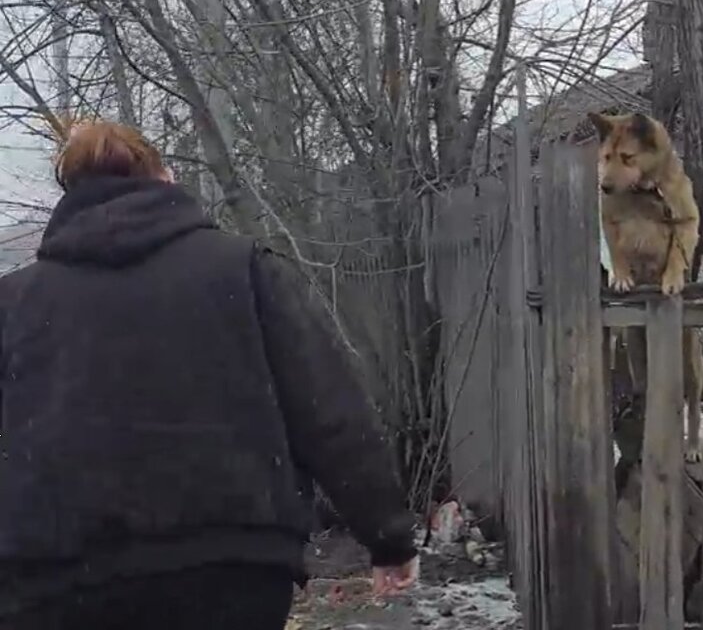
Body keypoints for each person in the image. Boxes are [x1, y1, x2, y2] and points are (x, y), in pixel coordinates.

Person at [0, 119, 420, 629]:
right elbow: (327, 413)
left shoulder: (16, 303)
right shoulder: (240, 270)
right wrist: (387, 536)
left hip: (60, 582)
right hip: (229, 571)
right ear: (164, 178)